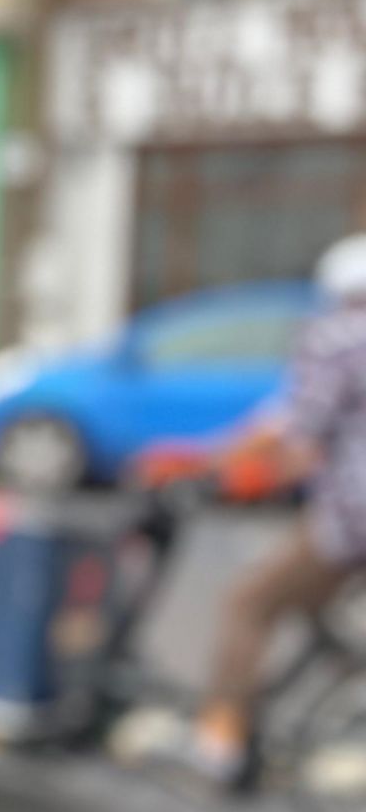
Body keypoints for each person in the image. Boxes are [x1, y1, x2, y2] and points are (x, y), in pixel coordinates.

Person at [175, 233, 366, 788]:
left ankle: (219, 741)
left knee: (250, 604)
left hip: (352, 519)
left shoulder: (339, 335)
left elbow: (294, 425)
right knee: (310, 606)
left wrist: (213, 462)